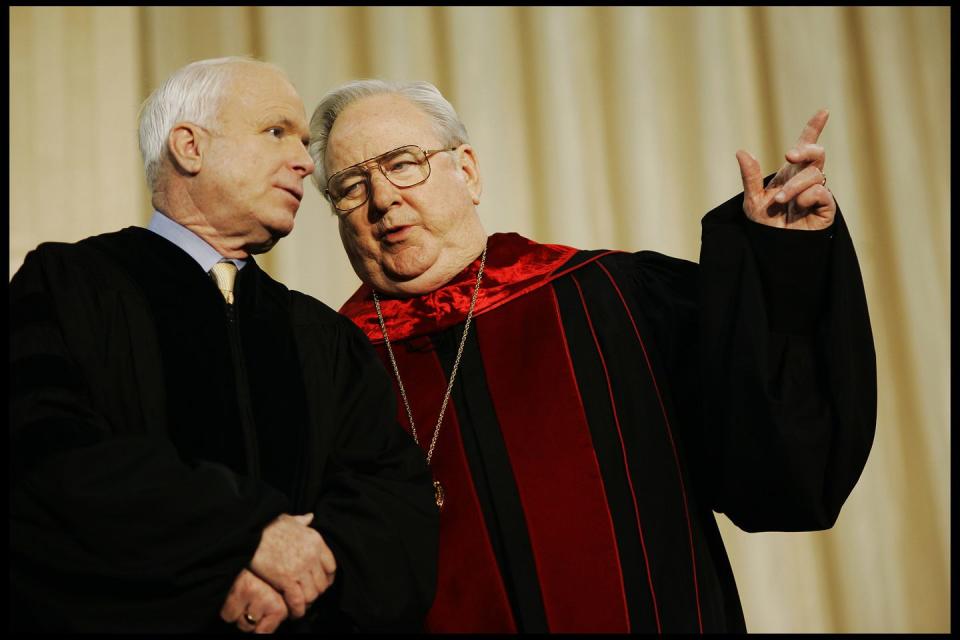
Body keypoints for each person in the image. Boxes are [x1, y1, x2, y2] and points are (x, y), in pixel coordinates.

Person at [305, 80, 877, 633]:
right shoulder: (321, 370)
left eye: (404, 163)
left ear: (468, 172)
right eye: (351, 186)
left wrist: (782, 258)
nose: (382, 199)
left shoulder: (612, 295)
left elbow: (771, 449)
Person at [9, 59, 439, 633]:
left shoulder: (322, 335)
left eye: (305, 142)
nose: (306, 163)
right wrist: (240, 538)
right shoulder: (68, 287)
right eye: (276, 131)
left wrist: (295, 579)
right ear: (189, 146)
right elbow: (42, 461)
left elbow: (392, 509)